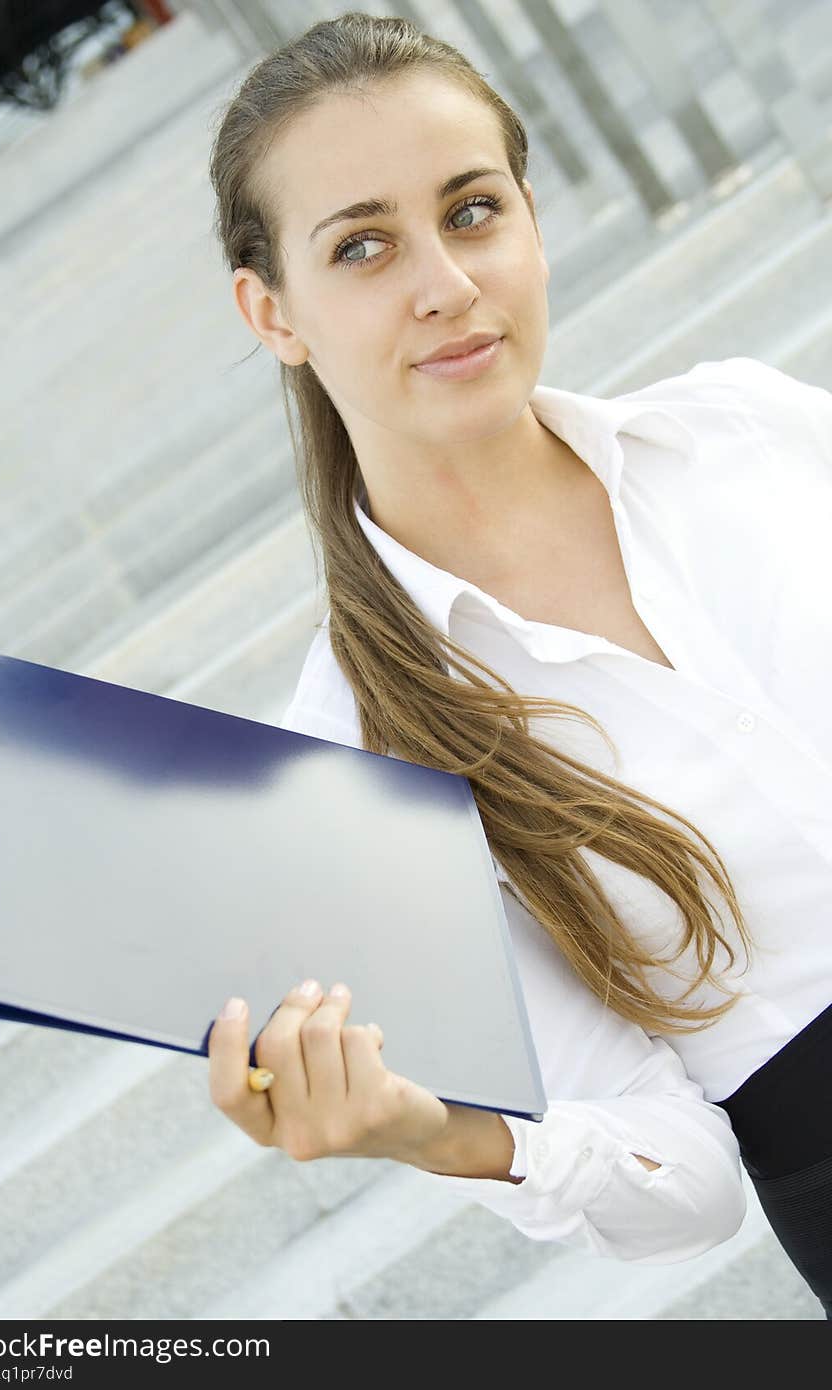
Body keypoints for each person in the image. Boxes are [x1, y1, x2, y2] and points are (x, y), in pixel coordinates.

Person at [204, 11, 832, 1316]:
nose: (444, 280)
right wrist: (451, 1135)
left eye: (472, 209)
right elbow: (687, 1182)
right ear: (273, 312)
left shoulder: (750, 430)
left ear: (532, 219)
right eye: (363, 245)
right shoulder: (356, 765)